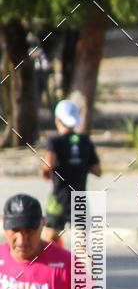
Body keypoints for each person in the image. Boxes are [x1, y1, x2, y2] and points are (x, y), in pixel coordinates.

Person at [41, 99, 101, 244]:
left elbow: (49, 164)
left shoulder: (54, 141)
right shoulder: (85, 141)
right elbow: (97, 170)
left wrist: (45, 171)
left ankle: (60, 263)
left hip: (59, 198)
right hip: (79, 199)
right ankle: (87, 267)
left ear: (58, 120)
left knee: (50, 240)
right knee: (81, 244)